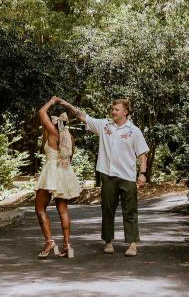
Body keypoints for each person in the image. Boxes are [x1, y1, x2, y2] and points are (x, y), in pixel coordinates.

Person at [59, 97, 149, 256]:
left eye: (117, 110)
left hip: (127, 176)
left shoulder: (134, 131)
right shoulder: (104, 125)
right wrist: (68, 106)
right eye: (113, 109)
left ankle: (133, 243)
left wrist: (142, 174)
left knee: (130, 210)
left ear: (125, 112)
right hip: (107, 175)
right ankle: (108, 242)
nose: (113, 112)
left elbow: (142, 154)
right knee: (107, 209)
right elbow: (83, 116)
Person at [34, 96, 82, 258]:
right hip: (64, 172)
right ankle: (67, 245)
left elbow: (41, 112)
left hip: (51, 172)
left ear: (53, 122)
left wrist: (52, 101)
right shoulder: (69, 138)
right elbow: (70, 158)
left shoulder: (52, 133)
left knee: (40, 208)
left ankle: (49, 242)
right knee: (63, 210)